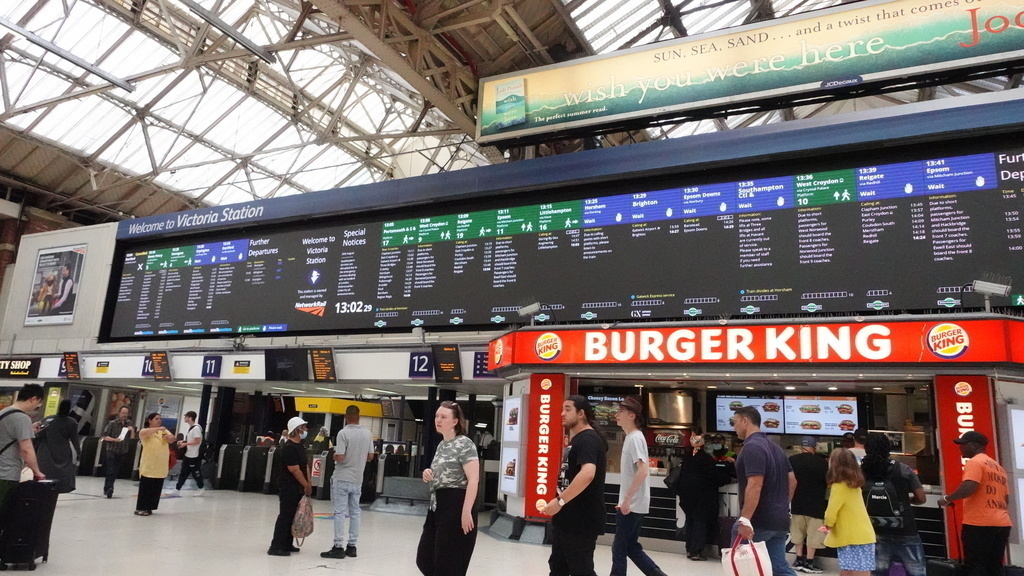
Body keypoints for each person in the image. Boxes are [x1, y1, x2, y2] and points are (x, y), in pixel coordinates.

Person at [543, 395, 607, 576]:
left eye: (568, 409)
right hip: (567, 519)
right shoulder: (578, 439)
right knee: (558, 567)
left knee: (581, 569)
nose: (562, 413)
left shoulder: (588, 439)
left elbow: (587, 473)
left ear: (581, 414)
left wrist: (560, 501)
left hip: (581, 520)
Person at [732, 405, 798, 576]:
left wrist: (745, 519)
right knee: (778, 568)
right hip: (779, 520)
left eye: (735, 422)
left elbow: (755, 485)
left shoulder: (752, 447)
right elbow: (792, 481)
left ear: (745, 421)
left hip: (758, 521)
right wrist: (782, 505)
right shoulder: (776, 448)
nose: (734, 427)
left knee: (742, 566)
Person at [416, 401, 479, 576]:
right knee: (424, 558)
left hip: (455, 504)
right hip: (437, 506)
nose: (438, 420)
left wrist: (466, 511)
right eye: (437, 416)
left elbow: (473, 479)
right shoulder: (442, 445)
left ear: (455, 421)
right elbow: (441, 472)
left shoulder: (465, 444)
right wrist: (428, 473)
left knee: (448, 562)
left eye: (444, 417)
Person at [939, 431, 1012, 576]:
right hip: (1002, 523)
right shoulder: (998, 468)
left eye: (963, 444)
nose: (960, 447)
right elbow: (1006, 499)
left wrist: (947, 499)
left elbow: (969, 487)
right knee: (994, 566)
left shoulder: (975, 462)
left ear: (974, 445)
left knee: (974, 566)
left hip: (980, 523)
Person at [610, 396, 668, 576]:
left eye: (621, 411)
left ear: (632, 416)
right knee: (631, 547)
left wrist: (626, 499)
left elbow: (643, 471)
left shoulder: (634, 438)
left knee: (619, 548)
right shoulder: (633, 438)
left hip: (631, 505)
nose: (617, 414)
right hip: (636, 504)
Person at [861, 433, 927, 576]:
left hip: (874, 529)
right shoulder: (903, 468)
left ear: (866, 449)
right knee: (916, 572)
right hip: (905, 529)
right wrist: (906, 501)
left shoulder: (861, 471)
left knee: (878, 572)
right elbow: (921, 498)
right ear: (888, 448)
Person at [322, 405, 374, 559]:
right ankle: (352, 546)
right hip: (357, 479)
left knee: (339, 512)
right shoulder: (367, 433)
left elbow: (340, 457)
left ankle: (338, 546)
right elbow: (371, 456)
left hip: (342, 477)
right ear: (358, 415)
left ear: (346, 416)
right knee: (355, 512)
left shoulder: (343, 433)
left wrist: (334, 456)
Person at [822, 448, 876, 576]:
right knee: (851, 569)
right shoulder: (855, 484)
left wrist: (827, 524)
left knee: (855, 570)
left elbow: (831, 511)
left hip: (851, 537)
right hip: (863, 534)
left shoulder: (839, 486)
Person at [676, 433, 726, 561]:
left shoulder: (688, 456)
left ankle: (689, 549)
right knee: (700, 522)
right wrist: (727, 479)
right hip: (702, 496)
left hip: (687, 495)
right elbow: (715, 477)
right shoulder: (705, 458)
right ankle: (696, 552)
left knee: (691, 520)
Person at [0, 384, 46, 517]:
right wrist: (36, 471)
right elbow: (27, 449)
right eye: (37, 404)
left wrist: (29, 429)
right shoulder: (22, 417)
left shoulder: (4, 412)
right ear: (33, 399)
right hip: (6, 474)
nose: (35, 408)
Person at [269, 417, 311, 556]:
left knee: (293, 515)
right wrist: (305, 484)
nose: (306, 430)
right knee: (286, 515)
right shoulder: (289, 448)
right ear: (297, 429)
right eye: (304, 427)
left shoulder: (300, 446)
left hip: (297, 487)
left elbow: (305, 467)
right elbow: (295, 470)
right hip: (288, 486)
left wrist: (308, 483)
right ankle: (276, 546)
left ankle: (287, 543)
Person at [789, 436, 828, 574]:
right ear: (814, 448)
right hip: (816, 505)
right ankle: (809, 562)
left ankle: (798, 559)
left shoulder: (792, 461)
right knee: (814, 535)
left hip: (797, 503)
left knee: (797, 532)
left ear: (801, 447)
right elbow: (828, 482)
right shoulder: (822, 463)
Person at [34, 399, 81, 494]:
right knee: (62, 473)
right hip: (63, 451)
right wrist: (79, 452)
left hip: (45, 451)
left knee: (45, 470)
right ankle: (58, 489)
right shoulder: (72, 422)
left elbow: (38, 435)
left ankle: (42, 490)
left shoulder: (48, 419)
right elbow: (75, 439)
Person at [135, 412, 176, 516]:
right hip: (149, 464)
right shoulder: (146, 431)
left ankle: (150, 507)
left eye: (160, 419)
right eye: (157, 419)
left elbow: (172, 438)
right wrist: (158, 429)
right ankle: (142, 507)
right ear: (150, 420)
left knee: (156, 487)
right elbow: (144, 434)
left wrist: (169, 438)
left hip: (160, 464)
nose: (159, 420)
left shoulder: (163, 430)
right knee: (146, 486)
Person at [101, 405, 135, 498]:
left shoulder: (129, 423)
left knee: (115, 470)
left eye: (126, 413)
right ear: (119, 413)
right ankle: (109, 488)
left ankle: (109, 487)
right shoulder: (112, 423)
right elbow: (105, 436)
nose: (124, 415)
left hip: (122, 450)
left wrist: (132, 431)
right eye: (123, 413)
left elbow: (132, 438)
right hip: (112, 449)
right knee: (110, 470)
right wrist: (115, 439)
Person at [171, 411, 205, 497]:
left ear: (190, 417)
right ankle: (177, 489)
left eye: (186, 416)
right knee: (183, 472)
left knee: (196, 473)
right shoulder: (191, 428)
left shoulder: (196, 428)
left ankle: (201, 488)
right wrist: (183, 441)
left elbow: (197, 441)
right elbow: (192, 440)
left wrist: (185, 444)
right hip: (188, 454)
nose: (184, 418)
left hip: (194, 455)